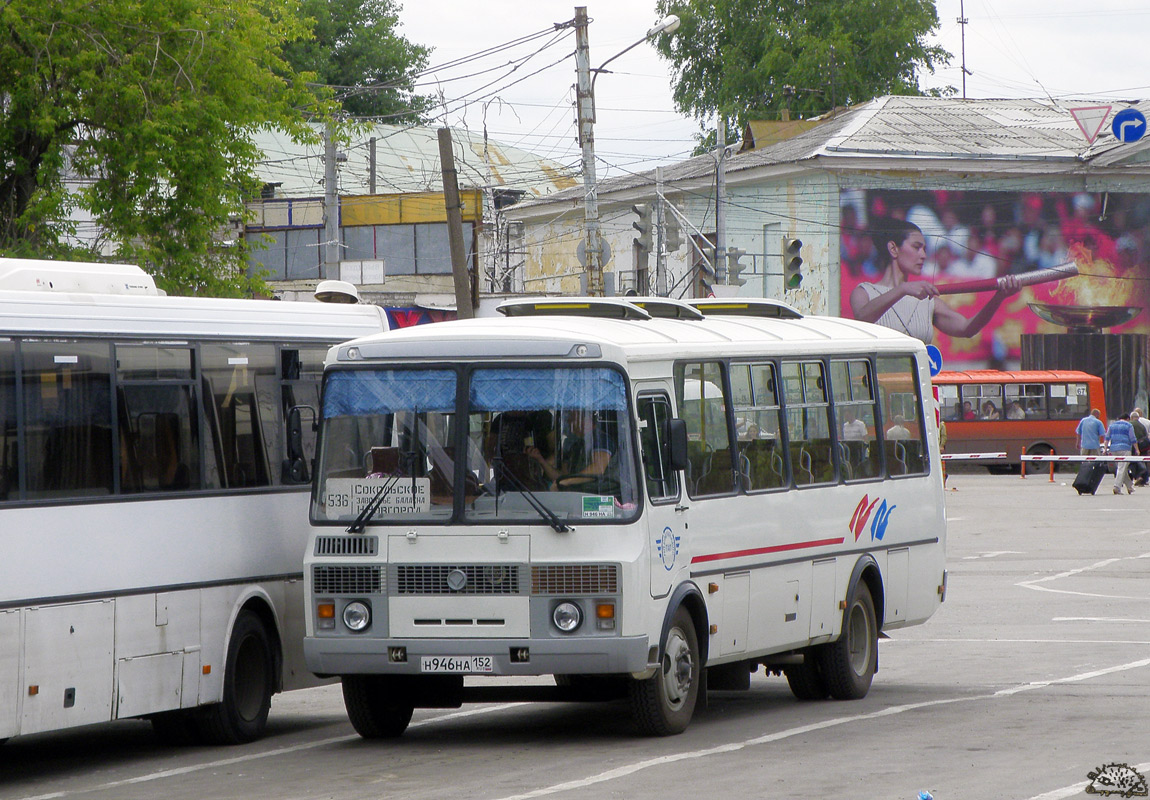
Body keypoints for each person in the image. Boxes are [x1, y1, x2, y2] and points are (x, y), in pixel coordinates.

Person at [849, 219, 1022, 345]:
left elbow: (967, 328)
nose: (923, 255)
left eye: (924, 249)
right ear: (894, 249)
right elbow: (863, 318)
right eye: (916, 247)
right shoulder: (864, 292)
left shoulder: (927, 301)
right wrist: (902, 290)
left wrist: (999, 297)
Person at [527, 409, 614, 489]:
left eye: (572, 419)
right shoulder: (575, 446)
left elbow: (598, 468)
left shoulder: (601, 439)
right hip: (575, 497)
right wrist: (541, 460)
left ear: (587, 420)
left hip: (600, 497)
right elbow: (561, 477)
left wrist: (566, 481)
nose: (569, 422)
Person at [1105, 412, 1137, 495]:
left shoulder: (1112, 426)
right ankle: (1117, 487)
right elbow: (1133, 438)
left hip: (1114, 449)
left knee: (1122, 468)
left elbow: (1107, 438)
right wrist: (1137, 449)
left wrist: (1105, 449)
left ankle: (1130, 487)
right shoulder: (1128, 425)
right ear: (1127, 419)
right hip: (1125, 448)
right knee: (1122, 468)